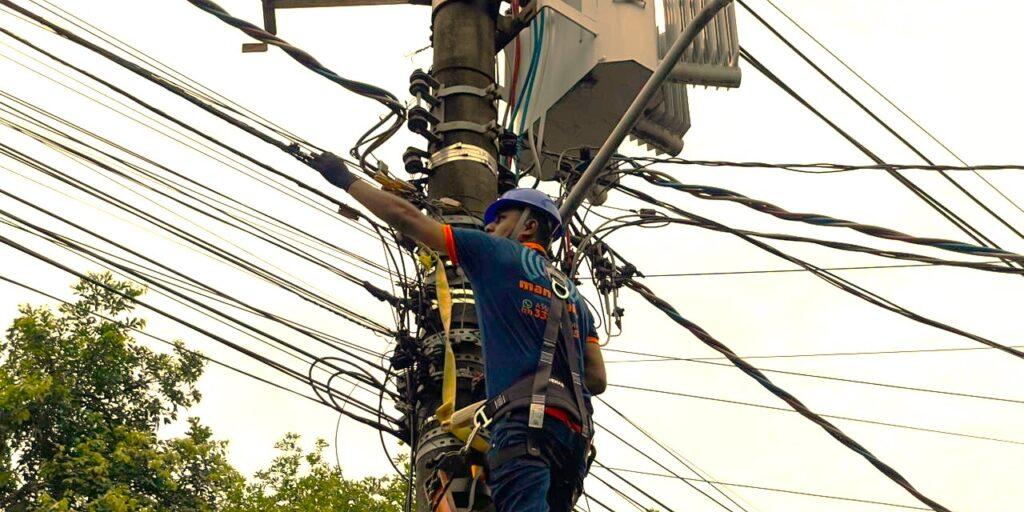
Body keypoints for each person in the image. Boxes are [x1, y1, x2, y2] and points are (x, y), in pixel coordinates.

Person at [312, 152, 606, 512]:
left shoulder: (497, 254)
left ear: (528, 226)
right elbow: (596, 378)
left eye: (500, 219)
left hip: (525, 425)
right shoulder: (575, 298)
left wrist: (344, 179)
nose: (489, 227)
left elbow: (407, 218)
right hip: (575, 439)